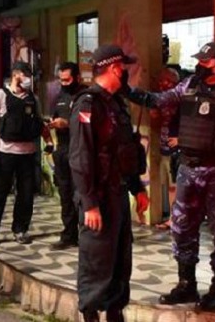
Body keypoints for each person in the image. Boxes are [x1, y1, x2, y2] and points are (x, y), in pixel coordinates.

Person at [128, 42, 215, 311]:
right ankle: (186, 284)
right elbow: (158, 100)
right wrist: (126, 90)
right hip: (189, 169)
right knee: (182, 228)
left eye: (205, 62)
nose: (199, 66)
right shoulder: (190, 85)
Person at [70, 46, 143, 322]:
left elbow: (125, 151)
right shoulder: (88, 104)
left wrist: (138, 188)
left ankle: (115, 313)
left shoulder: (116, 104)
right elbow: (81, 157)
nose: (126, 72)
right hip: (98, 198)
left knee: (120, 260)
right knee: (96, 260)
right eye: (124, 67)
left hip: (119, 193)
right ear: (114, 68)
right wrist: (89, 204)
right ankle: (90, 315)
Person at [0, 61, 49, 246]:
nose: (28, 79)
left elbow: (40, 123)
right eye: (25, 75)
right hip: (5, 153)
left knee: (26, 195)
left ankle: (20, 229)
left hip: (27, 154)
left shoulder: (32, 99)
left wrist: (49, 141)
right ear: (16, 75)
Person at [47, 62, 86, 251]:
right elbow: (54, 116)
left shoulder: (86, 97)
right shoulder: (59, 97)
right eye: (61, 80)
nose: (64, 84)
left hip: (80, 152)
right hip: (62, 151)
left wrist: (68, 124)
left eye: (67, 80)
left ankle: (87, 236)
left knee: (81, 196)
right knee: (65, 195)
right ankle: (69, 235)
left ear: (77, 78)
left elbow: (88, 124)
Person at [155, 67, 181, 229]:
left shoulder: (181, 100)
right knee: (168, 185)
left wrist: (181, 139)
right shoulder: (162, 100)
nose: (161, 84)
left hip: (176, 151)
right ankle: (172, 217)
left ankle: (176, 219)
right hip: (164, 149)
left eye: (165, 81)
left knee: (176, 186)